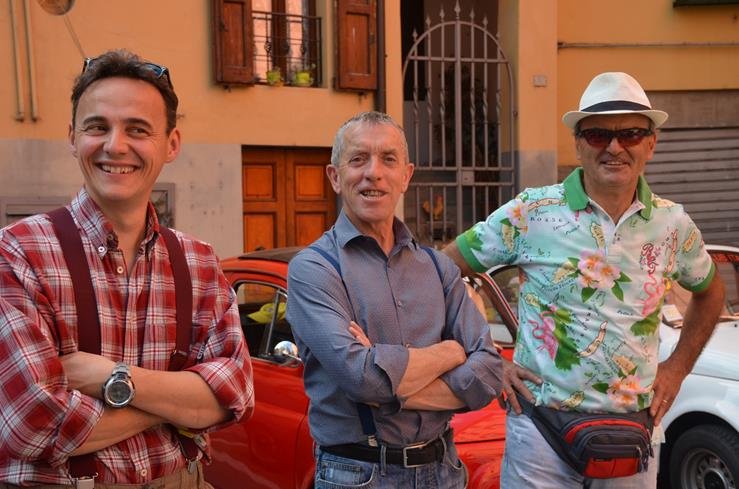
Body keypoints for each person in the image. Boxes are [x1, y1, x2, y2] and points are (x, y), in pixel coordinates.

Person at [444, 72, 725, 488]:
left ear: (651, 143)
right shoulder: (532, 213)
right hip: (541, 428)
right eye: (597, 135)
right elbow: (443, 271)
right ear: (578, 144)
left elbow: (710, 291)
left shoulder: (672, 224)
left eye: (630, 134)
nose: (614, 147)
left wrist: (678, 368)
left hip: (635, 430)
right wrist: (484, 356)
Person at [0, 50, 254, 488]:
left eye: (138, 129)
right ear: (72, 137)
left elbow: (236, 393)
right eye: (97, 127)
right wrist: (181, 402)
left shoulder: (199, 261)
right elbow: (31, 424)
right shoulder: (18, 252)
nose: (115, 146)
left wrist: (111, 379)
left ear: (171, 144)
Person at [286, 111, 503, 489]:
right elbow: (361, 378)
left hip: (443, 470)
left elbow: (488, 375)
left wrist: (386, 383)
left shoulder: (438, 267)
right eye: (358, 159)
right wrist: (451, 352)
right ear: (335, 177)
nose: (373, 173)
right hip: (359, 475)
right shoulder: (314, 269)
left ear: (406, 175)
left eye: (388, 159)